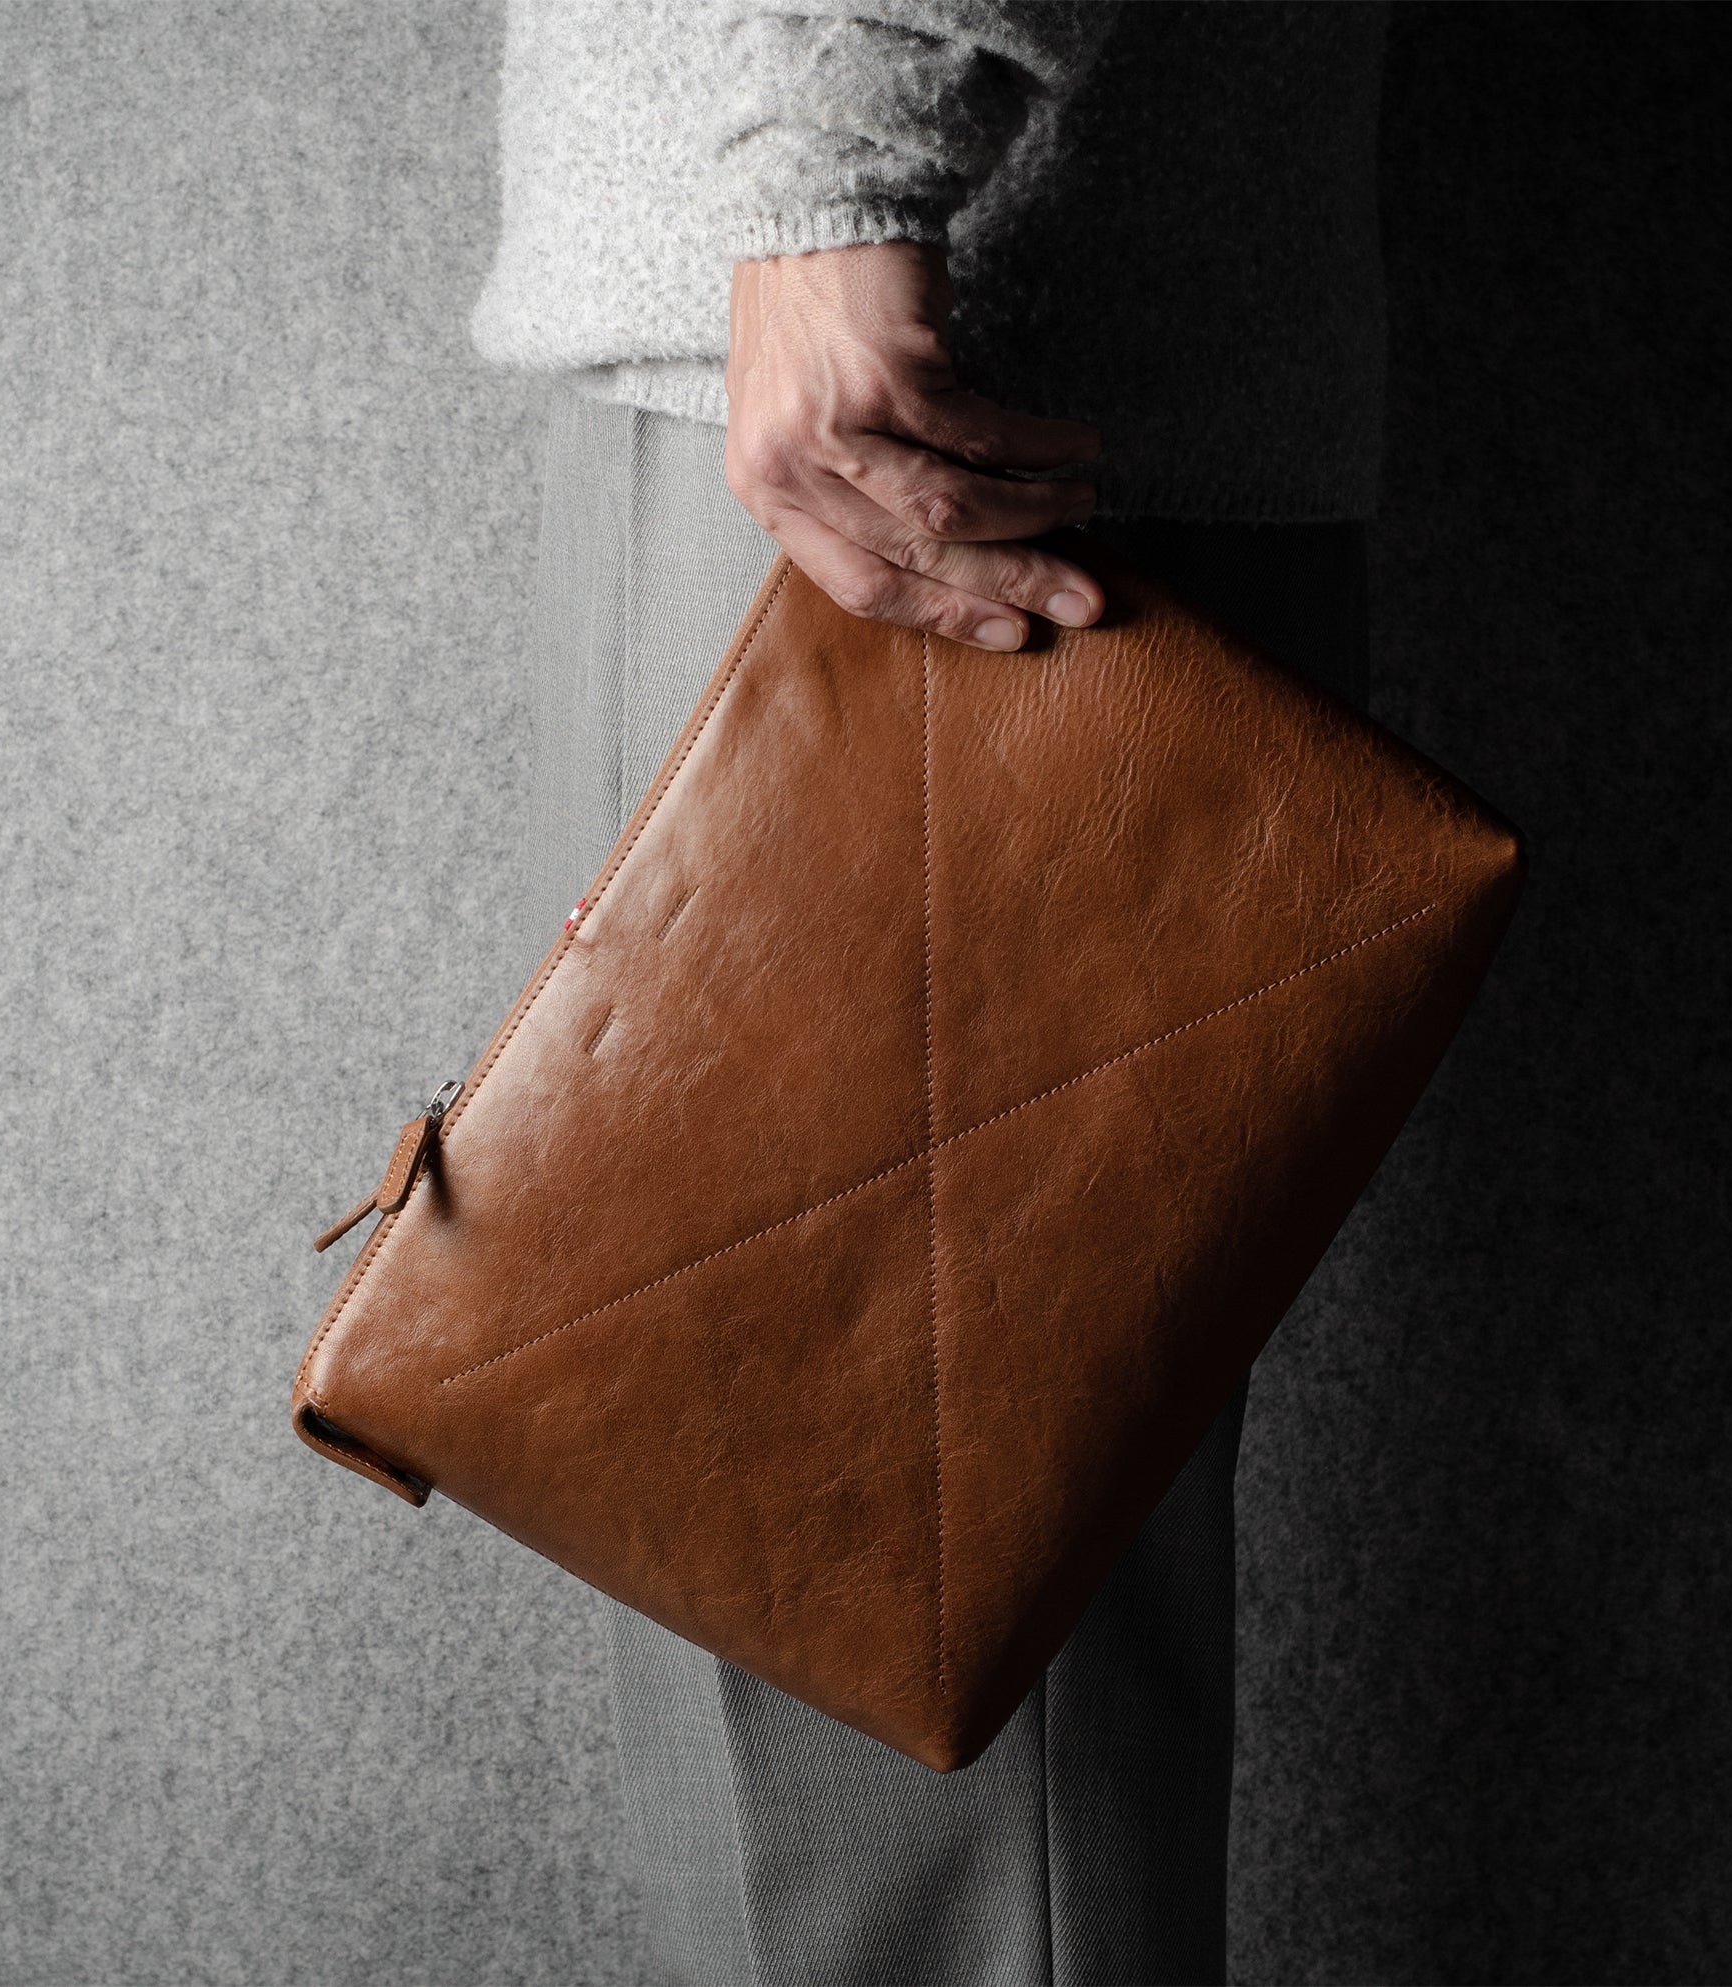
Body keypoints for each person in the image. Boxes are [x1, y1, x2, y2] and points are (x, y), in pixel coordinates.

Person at [468, 5, 1390, 1980]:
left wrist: (840, 135)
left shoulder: (852, 201)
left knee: (907, 1792)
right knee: (848, 1732)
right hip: (849, 341)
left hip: (920, 396)